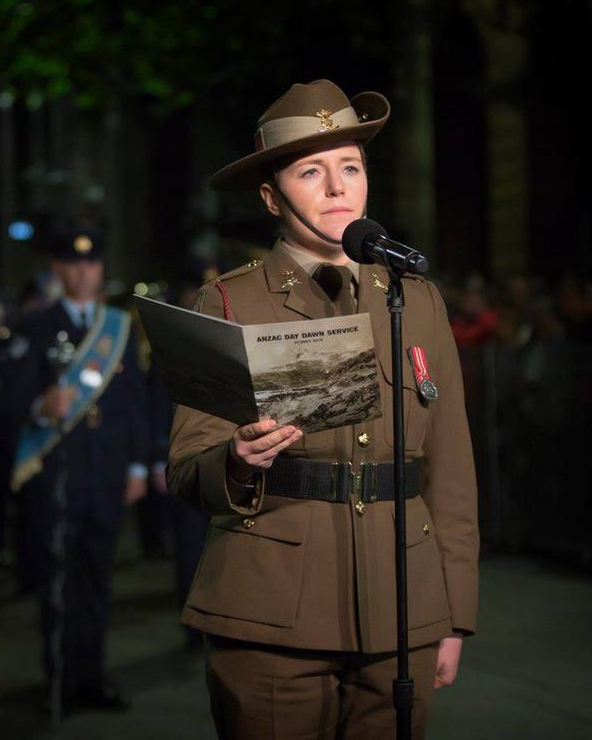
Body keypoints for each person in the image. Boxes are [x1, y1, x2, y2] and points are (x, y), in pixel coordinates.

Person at [167, 79, 478, 739]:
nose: (338, 187)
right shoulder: (229, 303)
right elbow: (186, 468)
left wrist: (452, 613)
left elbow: (450, 473)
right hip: (272, 612)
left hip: (402, 608)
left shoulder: (415, 300)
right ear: (271, 196)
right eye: (312, 171)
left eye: (350, 168)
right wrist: (235, 459)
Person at [10, 228, 148, 714]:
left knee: (97, 577)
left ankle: (91, 675)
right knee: (59, 578)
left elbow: (134, 403)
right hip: (61, 473)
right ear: (59, 271)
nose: (85, 273)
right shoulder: (38, 326)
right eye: (74, 264)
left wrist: (138, 464)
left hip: (108, 471)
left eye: (92, 265)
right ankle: (59, 677)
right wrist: (40, 406)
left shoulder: (119, 327)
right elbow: (14, 398)